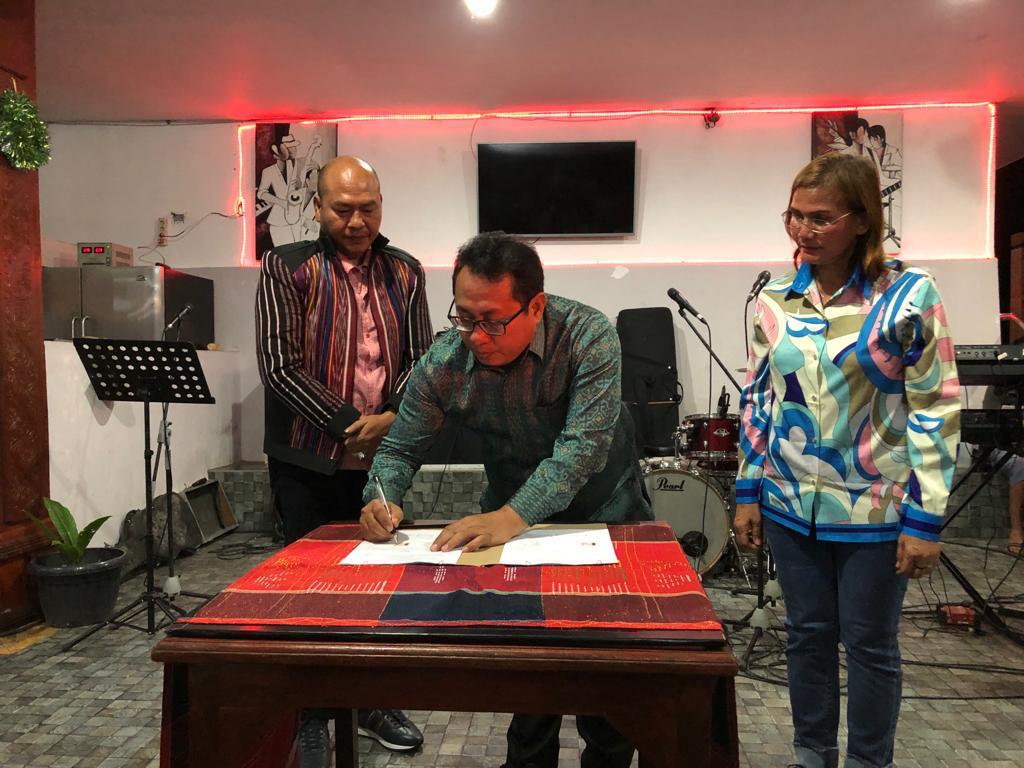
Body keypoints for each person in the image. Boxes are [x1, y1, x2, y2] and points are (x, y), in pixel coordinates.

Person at [360, 231, 652, 768]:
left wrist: (512, 515)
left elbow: (582, 451)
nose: (475, 335)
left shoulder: (588, 336)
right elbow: (400, 447)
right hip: (511, 521)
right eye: (464, 317)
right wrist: (381, 497)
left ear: (535, 306)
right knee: (528, 667)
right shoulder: (445, 360)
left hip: (604, 513)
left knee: (609, 671)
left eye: (492, 321)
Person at [733, 153, 961, 768]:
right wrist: (748, 490)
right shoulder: (774, 300)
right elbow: (760, 399)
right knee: (806, 638)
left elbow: (935, 407)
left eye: (820, 218)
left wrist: (925, 519)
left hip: (875, 509)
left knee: (869, 646)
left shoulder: (909, 296)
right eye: (794, 215)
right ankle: (812, 755)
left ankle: (867, 760)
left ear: (862, 220)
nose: (802, 230)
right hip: (789, 504)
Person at [256, 155, 432, 765]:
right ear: (317, 208)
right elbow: (278, 365)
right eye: (342, 209)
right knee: (310, 589)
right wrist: (346, 426)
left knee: (378, 586)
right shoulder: (286, 266)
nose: (357, 221)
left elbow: (421, 360)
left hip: (383, 456)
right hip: (307, 457)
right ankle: (310, 712)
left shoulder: (407, 271)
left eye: (368, 208)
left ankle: (371, 702)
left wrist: (392, 417)